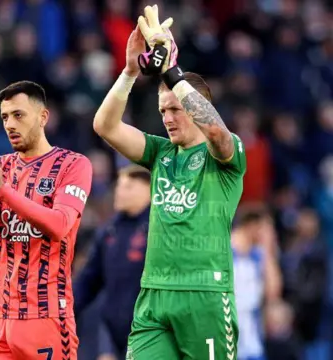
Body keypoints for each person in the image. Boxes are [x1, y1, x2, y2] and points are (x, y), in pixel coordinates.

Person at [92, 5, 246, 360]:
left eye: (175, 109)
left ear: (197, 107)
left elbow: (217, 134)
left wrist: (172, 71)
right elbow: (105, 126)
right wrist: (130, 72)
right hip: (154, 295)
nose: (168, 118)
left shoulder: (225, 153)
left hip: (205, 296)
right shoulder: (161, 153)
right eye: (163, 111)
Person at [0, 80, 93, 359]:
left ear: (43, 117)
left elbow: (59, 225)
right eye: (5, 117)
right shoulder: (4, 166)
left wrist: (2, 189)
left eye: (18, 115)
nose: (10, 124)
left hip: (45, 317)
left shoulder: (73, 165)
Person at [73, 165, 151, 359]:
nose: (119, 192)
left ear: (148, 190)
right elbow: (88, 280)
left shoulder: (159, 229)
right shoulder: (109, 231)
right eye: (119, 186)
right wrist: (62, 313)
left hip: (148, 331)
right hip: (110, 329)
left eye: (128, 186)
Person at [231, 209, 282, 360]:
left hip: (251, 332)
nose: (271, 234)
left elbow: (273, 292)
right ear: (253, 225)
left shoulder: (258, 254)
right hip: (227, 328)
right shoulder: (224, 252)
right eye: (267, 228)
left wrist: (267, 249)